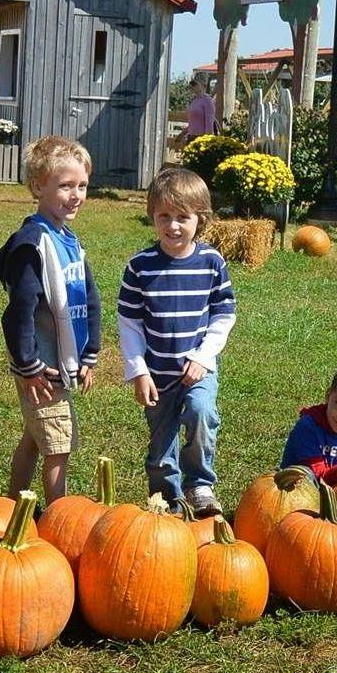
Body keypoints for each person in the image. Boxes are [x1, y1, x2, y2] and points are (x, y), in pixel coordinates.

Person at [117, 168, 236, 513]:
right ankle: (166, 498)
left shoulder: (212, 262)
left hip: (197, 367)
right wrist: (138, 371)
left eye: (183, 217)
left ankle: (199, 485)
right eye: (163, 217)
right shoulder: (141, 266)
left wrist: (203, 357)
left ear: (201, 218)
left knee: (201, 413)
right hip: (156, 373)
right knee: (161, 439)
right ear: (152, 217)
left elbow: (224, 314)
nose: (173, 226)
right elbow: (129, 322)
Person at [0, 136, 101, 505]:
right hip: (42, 369)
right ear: (38, 186)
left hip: (60, 363)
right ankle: (58, 521)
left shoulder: (69, 239)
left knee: (35, 438)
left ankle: (9, 505)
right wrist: (29, 365)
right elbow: (18, 313)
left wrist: (90, 355)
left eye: (82, 185)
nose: (76, 195)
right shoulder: (33, 243)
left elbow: (90, 298)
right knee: (58, 445)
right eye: (65, 186)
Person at [182, 74, 217, 144]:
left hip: (201, 139)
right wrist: (184, 135)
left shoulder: (208, 101)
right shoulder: (194, 101)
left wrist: (206, 143)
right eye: (191, 84)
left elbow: (209, 124)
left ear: (202, 85)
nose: (192, 86)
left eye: (194, 84)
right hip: (191, 137)